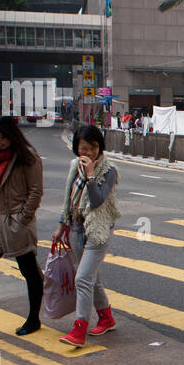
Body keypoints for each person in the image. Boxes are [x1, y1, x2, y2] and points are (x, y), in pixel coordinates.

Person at [52, 124, 120, 347]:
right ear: (76, 148)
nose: (87, 153)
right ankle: (106, 318)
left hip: (98, 231)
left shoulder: (109, 171)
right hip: (76, 229)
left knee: (82, 278)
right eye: (83, 148)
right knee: (92, 277)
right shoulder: (74, 166)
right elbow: (68, 196)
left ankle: (79, 329)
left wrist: (91, 174)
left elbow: (98, 199)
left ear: (99, 147)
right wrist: (62, 225)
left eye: (92, 148)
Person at [0, 117, 44, 337]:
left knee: (29, 271)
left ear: (11, 134)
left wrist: (22, 219)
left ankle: (33, 318)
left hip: (16, 221)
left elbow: (35, 191)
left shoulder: (27, 157)